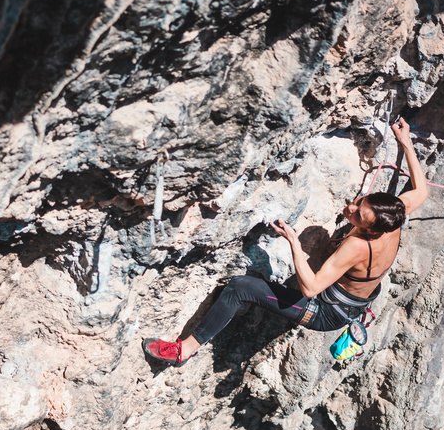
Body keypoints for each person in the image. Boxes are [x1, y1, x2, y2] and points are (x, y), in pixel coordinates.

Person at [143, 117, 428, 366]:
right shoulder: (392, 215)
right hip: (351, 301)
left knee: (239, 287)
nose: (351, 209)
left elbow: (311, 286)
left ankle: (184, 351)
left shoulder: (358, 246)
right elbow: (421, 191)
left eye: (358, 217)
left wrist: (293, 241)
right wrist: (405, 141)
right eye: (360, 203)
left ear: (371, 230)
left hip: (326, 312)